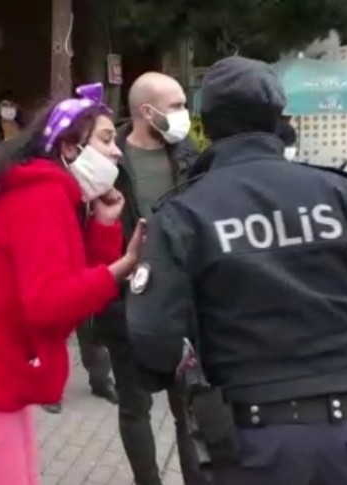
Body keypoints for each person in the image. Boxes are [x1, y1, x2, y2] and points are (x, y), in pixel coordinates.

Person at [126, 56, 347, 484]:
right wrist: (343, 340)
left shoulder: (184, 214)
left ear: (206, 126)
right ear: (278, 120)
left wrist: (195, 365)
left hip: (250, 439)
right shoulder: (341, 194)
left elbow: (151, 335)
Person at [0, 83, 147, 485]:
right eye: (107, 139)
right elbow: (50, 302)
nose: (117, 151)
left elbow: (70, 285)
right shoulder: (40, 196)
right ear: (70, 147)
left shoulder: (49, 193)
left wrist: (104, 231)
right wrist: (119, 270)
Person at [92, 72, 206, 485]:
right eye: (176, 106)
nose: (183, 114)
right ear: (147, 111)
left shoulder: (189, 154)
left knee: (190, 404)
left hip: (183, 300)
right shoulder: (108, 157)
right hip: (128, 298)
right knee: (134, 405)